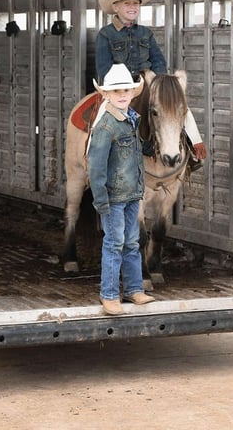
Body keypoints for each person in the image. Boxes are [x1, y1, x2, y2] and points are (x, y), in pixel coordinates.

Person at [96, 0, 207, 165]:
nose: (133, 7)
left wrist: (159, 84)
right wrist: (123, 87)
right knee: (102, 117)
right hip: (120, 88)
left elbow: (158, 60)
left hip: (149, 84)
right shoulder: (106, 34)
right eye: (127, 3)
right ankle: (97, 158)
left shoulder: (146, 33)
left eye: (136, 3)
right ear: (115, 7)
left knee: (177, 107)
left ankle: (192, 151)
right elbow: (104, 68)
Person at [88, 63, 155, 316]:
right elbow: (96, 166)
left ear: (132, 93)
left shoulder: (132, 119)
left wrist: (150, 146)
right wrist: (100, 200)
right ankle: (109, 294)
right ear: (106, 94)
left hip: (132, 193)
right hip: (113, 197)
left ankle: (134, 289)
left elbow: (135, 151)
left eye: (126, 90)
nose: (122, 94)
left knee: (132, 241)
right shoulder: (106, 126)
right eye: (116, 91)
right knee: (114, 243)